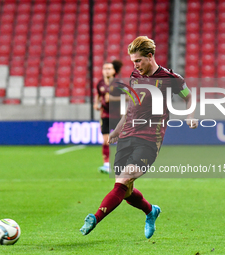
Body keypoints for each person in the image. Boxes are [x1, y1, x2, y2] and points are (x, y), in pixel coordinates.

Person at [80, 36, 198, 238]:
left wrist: (191, 116)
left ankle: (95, 217)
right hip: (128, 135)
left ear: (150, 56)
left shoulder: (171, 79)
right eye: (133, 61)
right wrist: (117, 129)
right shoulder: (135, 75)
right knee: (124, 190)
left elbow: (189, 97)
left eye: (138, 61)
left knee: (123, 181)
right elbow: (132, 106)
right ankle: (151, 211)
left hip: (150, 139)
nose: (135, 65)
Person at [93, 60, 124, 174]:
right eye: (104, 69)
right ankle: (106, 165)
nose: (106, 71)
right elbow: (98, 95)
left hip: (117, 116)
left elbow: (128, 97)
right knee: (106, 141)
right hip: (105, 115)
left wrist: (112, 98)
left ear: (114, 71)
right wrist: (96, 104)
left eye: (109, 69)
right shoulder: (100, 83)